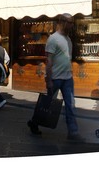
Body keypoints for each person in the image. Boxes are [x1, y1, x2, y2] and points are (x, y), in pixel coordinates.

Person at [27, 13, 83, 141]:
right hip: (56, 78)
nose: (72, 25)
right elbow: (49, 61)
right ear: (62, 22)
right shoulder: (53, 39)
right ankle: (34, 122)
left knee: (71, 104)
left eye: (72, 22)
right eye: (70, 22)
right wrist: (48, 79)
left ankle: (73, 132)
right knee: (46, 103)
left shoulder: (68, 39)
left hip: (67, 78)